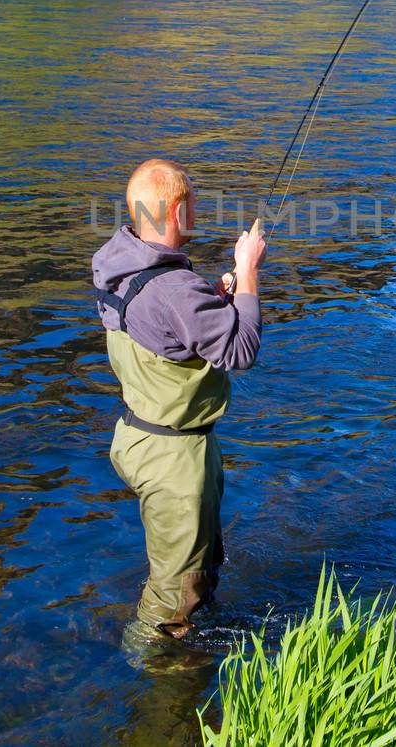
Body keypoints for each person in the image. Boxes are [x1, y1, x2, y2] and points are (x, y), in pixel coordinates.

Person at [92, 158, 266, 639]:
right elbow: (240, 350)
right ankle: (152, 680)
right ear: (176, 214)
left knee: (198, 567)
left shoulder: (117, 265)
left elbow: (162, 325)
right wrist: (247, 274)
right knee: (172, 595)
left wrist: (212, 298)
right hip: (174, 458)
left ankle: (191, 647)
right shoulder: (174, 290)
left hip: (137, 435)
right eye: (193, 207)